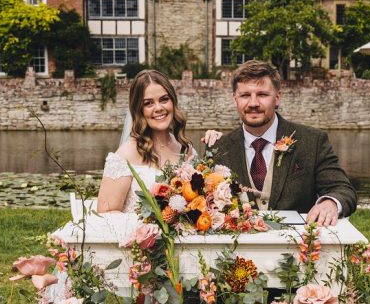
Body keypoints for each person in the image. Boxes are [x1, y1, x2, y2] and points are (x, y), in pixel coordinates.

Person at [207, 60, 356, 226]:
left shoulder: (312, 141)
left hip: (298, 246)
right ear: (235, 100)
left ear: (277, 98)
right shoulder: (218, 148)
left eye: (262, 94)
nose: (253, 103)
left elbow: (343, 189)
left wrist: (330, 203)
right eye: (245, 95)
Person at [96, 69, 192, 214]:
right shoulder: (125, 155)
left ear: (173, 101)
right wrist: (146, 230)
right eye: (148, 103)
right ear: (139, 110)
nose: (159, 108)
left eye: (164, 99)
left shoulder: (186, 149)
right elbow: (106, 214)